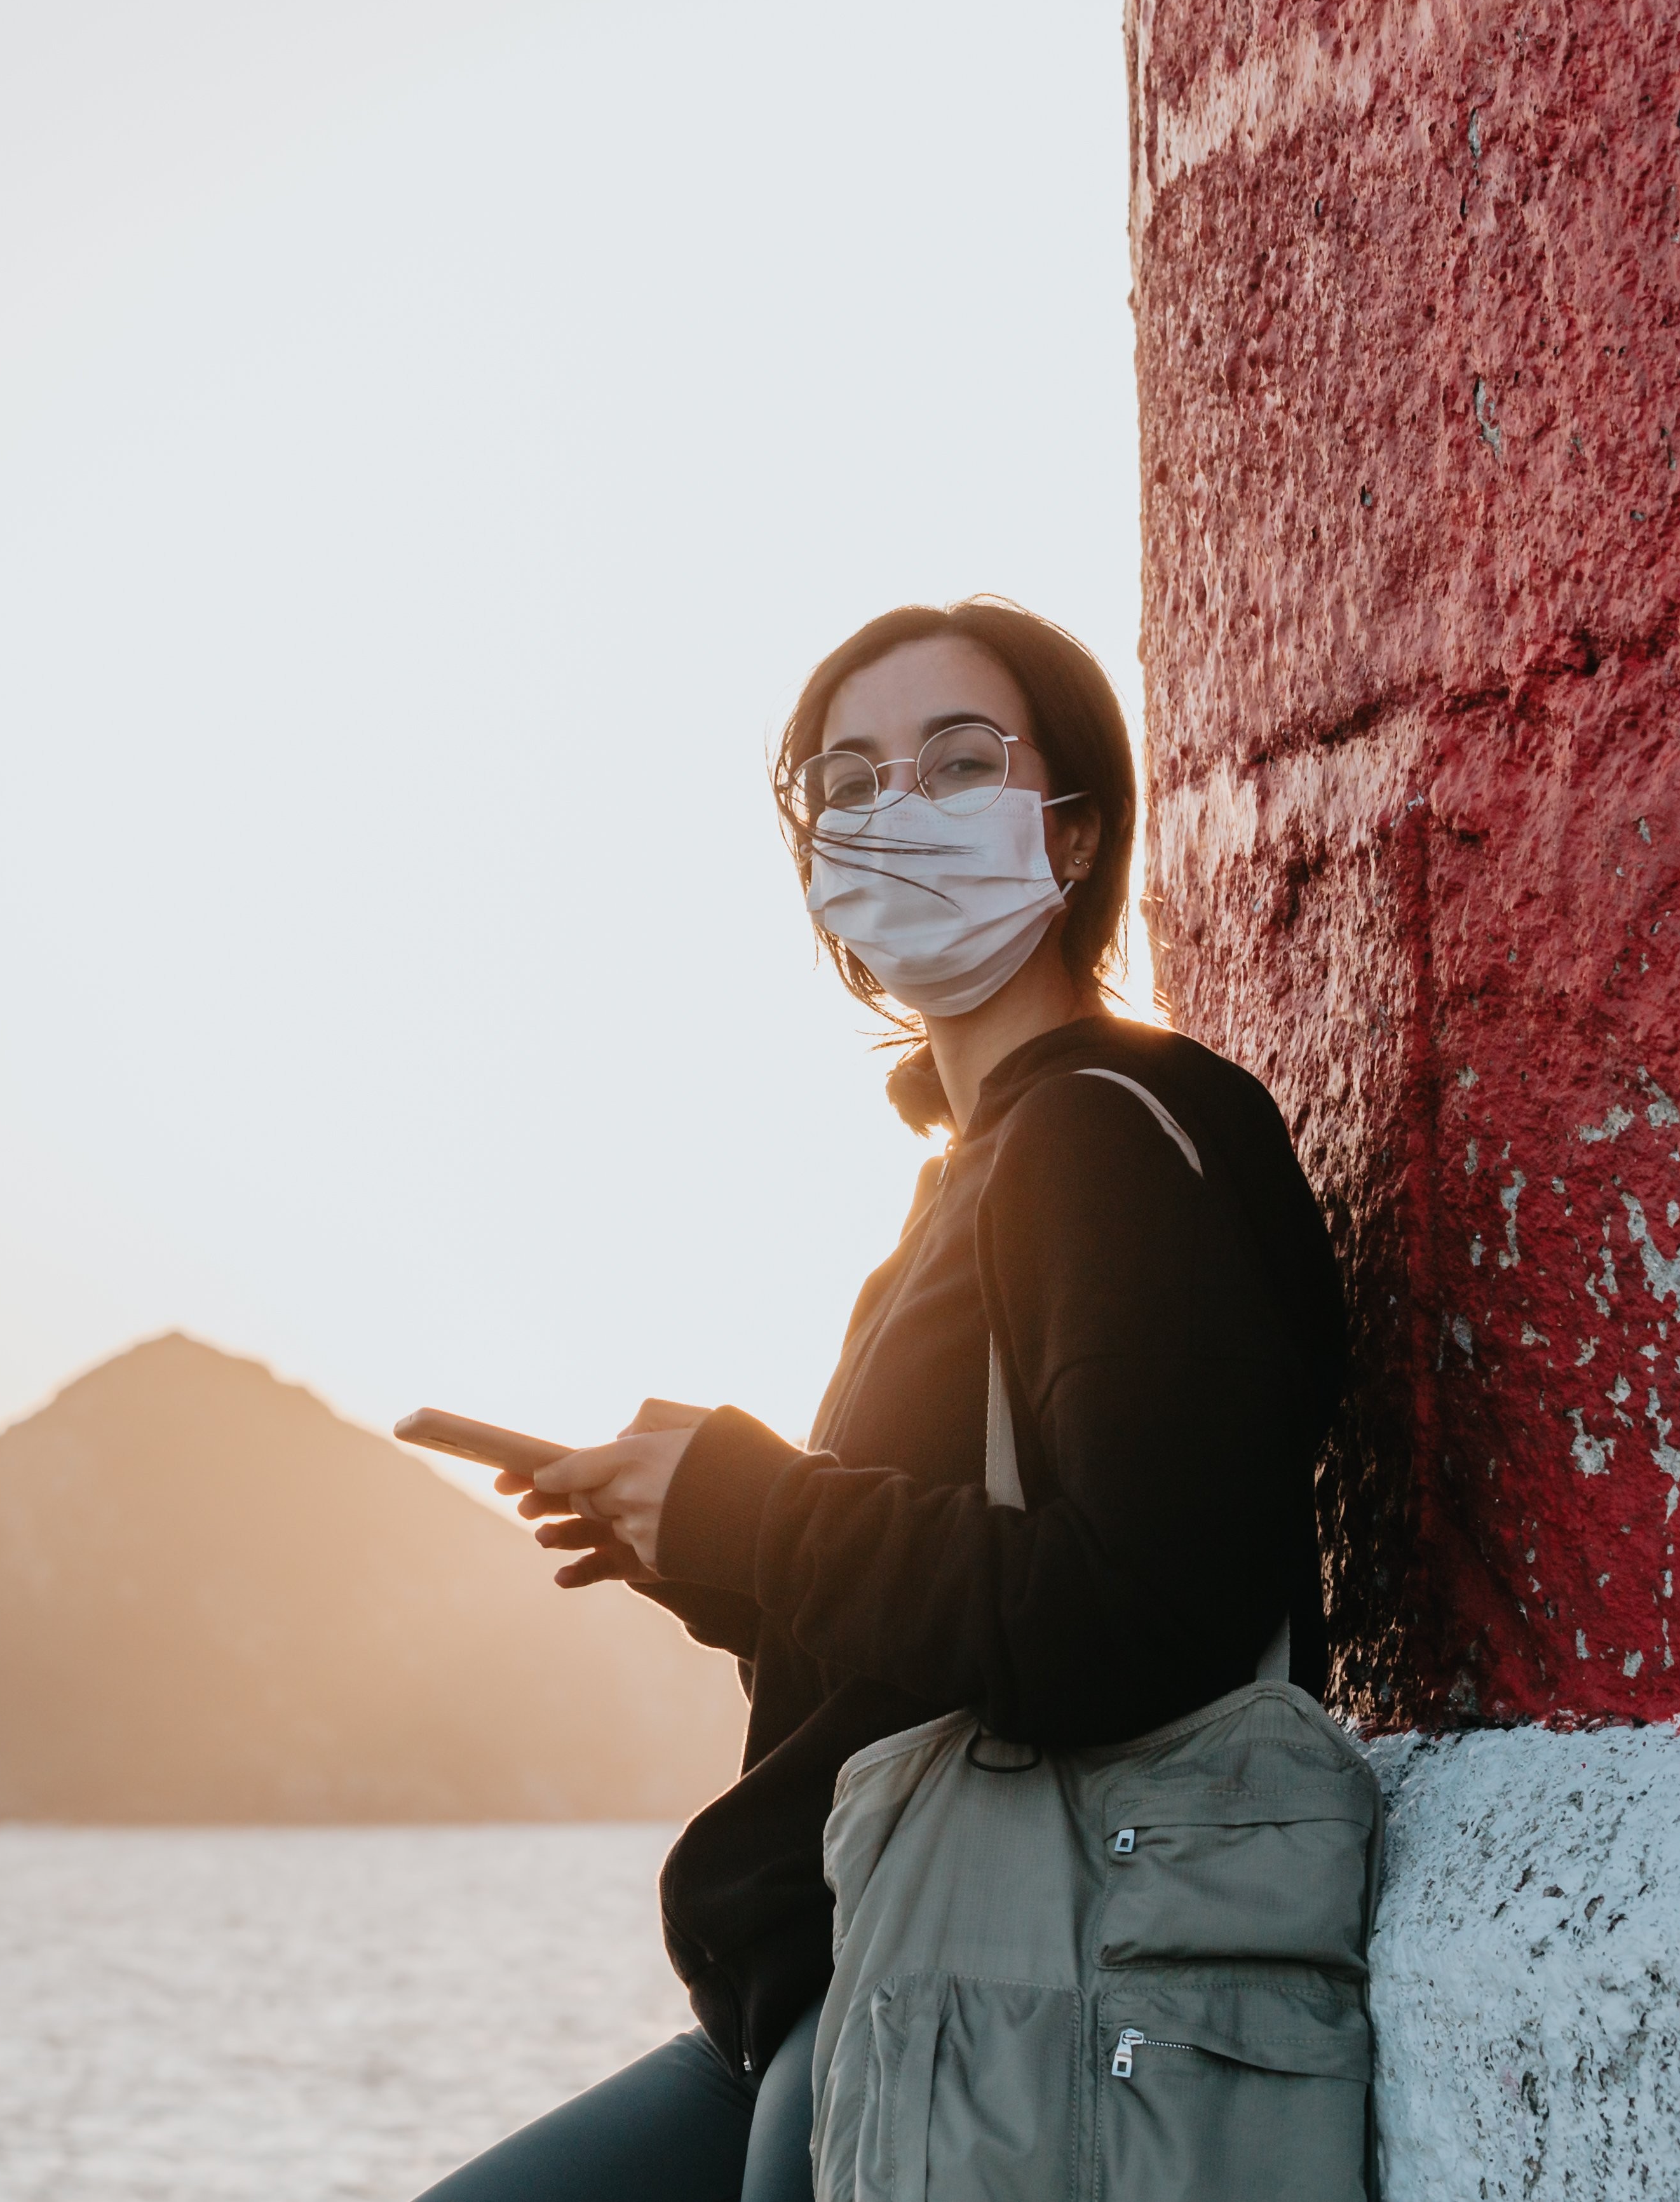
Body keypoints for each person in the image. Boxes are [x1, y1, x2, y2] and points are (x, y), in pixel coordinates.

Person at [412, 600, 1345, 2202]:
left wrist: (758, 1509)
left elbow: (1138, 1617)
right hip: (836, 1975)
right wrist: (705, 1548)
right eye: (845, 781)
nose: (892, 808)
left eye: (957, 760)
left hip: (981, 1987)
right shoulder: (965, 1175)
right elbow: (954, 1614)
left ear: (1075, 825)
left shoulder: (1106, 1138)